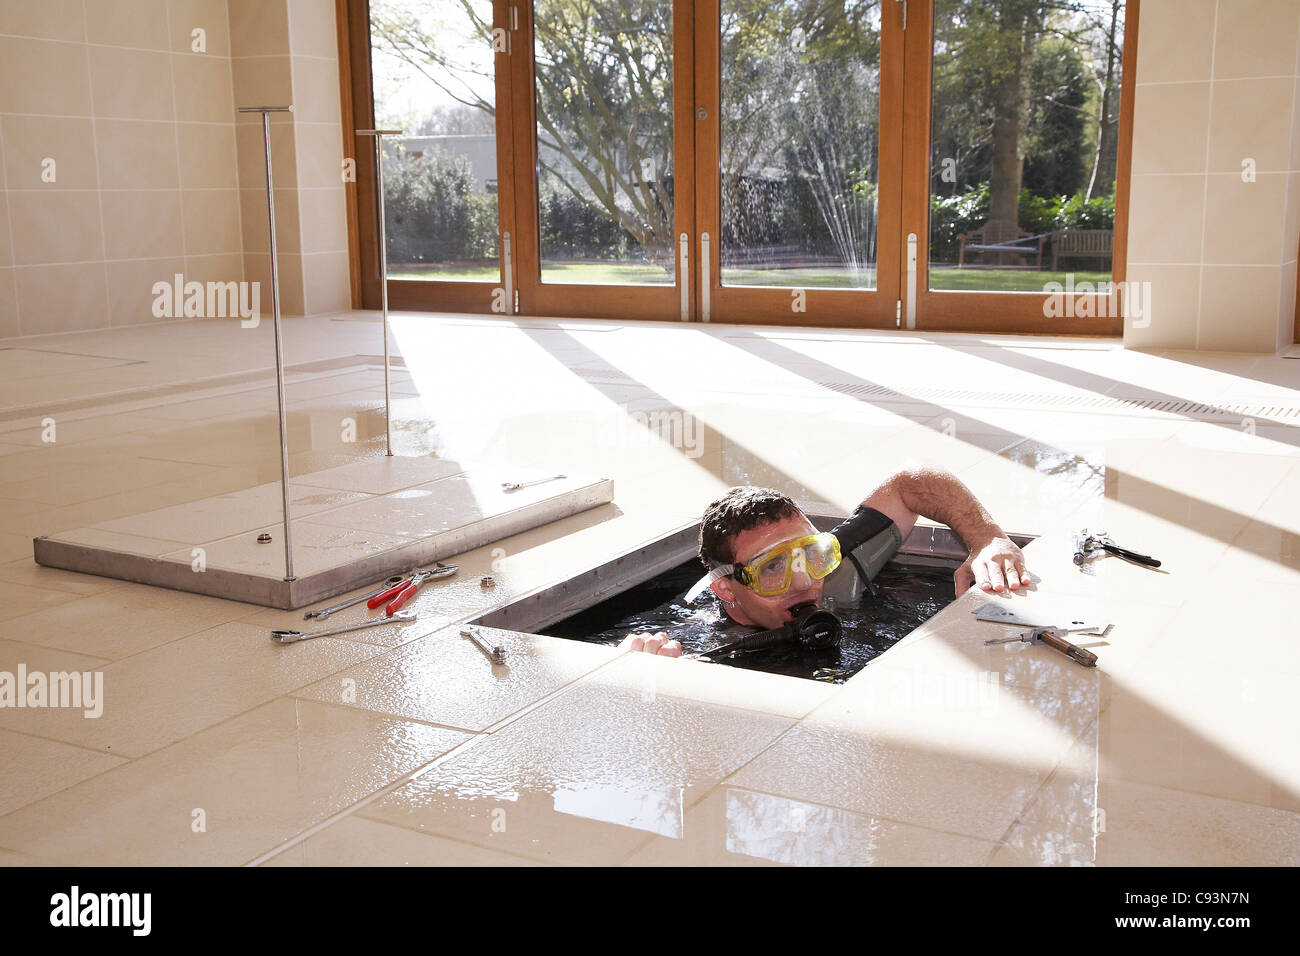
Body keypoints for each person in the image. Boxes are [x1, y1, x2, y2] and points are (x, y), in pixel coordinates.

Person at [620, 465, 1028, 657]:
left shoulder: (831, 569)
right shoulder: (696, 638)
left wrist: (987, 538)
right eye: (773, 568)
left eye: (811, 555)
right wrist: (643, 660)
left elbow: (911, 485)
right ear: (725, 588)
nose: (803, 582)